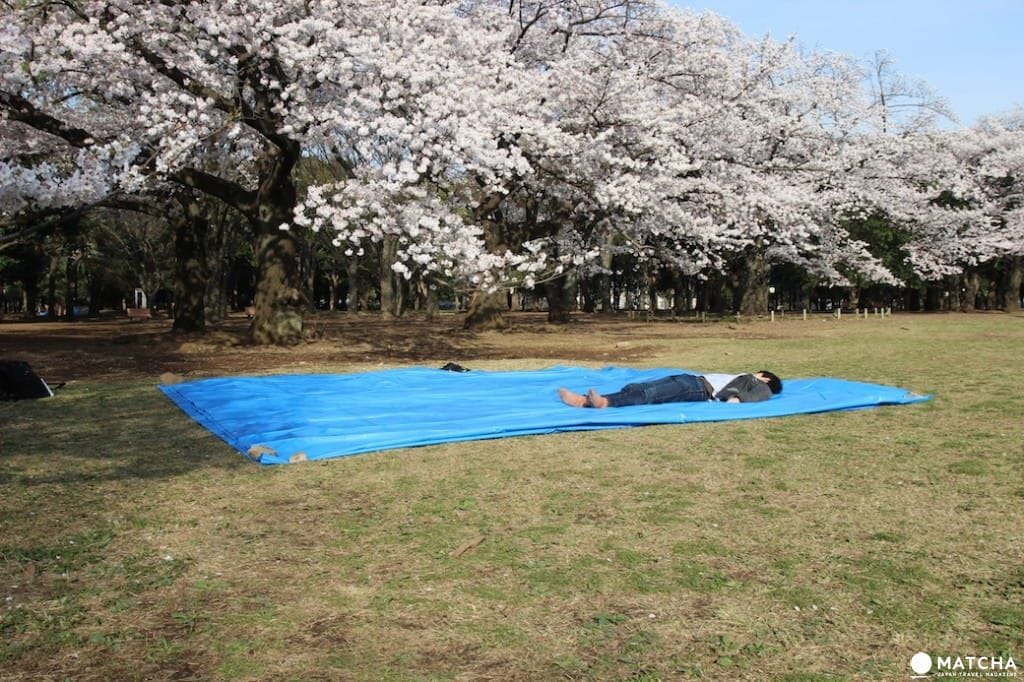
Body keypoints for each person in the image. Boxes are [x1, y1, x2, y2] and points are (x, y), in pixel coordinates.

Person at [558, 370, 782, 408]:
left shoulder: (760, 385)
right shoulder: (744, 377)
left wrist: (736, 400)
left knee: (650, 394)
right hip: (693, 380)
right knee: (640, 387)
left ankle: (602, 402)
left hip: (699, 389)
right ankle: (586, 401)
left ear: (765, 377)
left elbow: (761, 395)